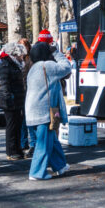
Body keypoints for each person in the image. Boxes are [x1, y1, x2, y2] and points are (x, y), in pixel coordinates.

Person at [25, 41, 71, 180]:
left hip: (32, 111)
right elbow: (66, 67)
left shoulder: (32, 68)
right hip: (44, 112)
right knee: (43, 144)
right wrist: (56, 52)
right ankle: (36, 172)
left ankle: (60, 166)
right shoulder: (47, 65)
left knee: (51, 140)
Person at [0, 42, 28, 160]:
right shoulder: (5, 65)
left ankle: (17, 149)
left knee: (17, 125)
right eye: (21, 55)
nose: (22, 57)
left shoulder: (14, 64)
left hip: (17, 99)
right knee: (11, 126)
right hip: (10, 101)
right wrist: (9, 100)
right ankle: (11, 151)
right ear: (15, 54)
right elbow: (4, 86)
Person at [18, 37, 35, 158]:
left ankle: (33, 143)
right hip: (21, 92)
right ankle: (23, 143)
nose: (23, 48)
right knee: (22, 119)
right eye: (21, 46)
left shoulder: (31, 59)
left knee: (29, 119)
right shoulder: (18, 59)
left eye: (25, 45)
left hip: (29, 91)